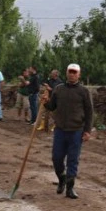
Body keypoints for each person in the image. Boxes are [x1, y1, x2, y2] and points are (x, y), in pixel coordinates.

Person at [42, 63, 92, 199]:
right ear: (66, 73)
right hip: (60, 130)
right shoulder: (59, 89)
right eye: (70, 71)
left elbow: (89, 112)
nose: (72, 74)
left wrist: (87, 131)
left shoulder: (83, 91)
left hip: (76, 131)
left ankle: (70, 188)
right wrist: (46, 102)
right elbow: (52, 106)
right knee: (56, 158)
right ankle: (62, 178)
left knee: (72, 159)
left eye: (74, 72)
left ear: (79, 74)